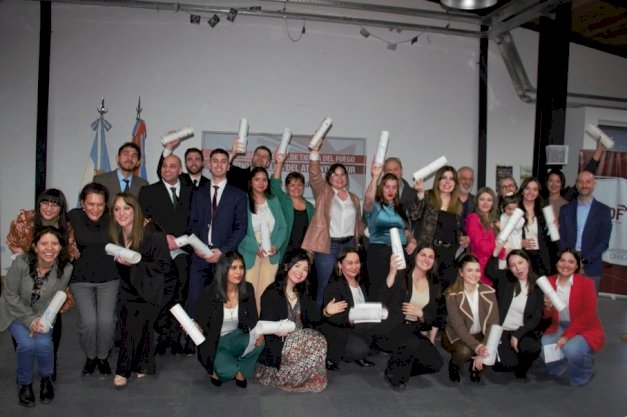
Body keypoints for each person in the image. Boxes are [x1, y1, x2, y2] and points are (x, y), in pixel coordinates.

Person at [6, 188, 79, 380]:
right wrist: (29, 263)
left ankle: (49, 364)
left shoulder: (66, 226)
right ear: (39, 204)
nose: (49, 208)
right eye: (45, 203)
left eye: (55, 204)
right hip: (25, 273)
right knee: (24, 331)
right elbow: (12, 240)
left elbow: (70, 250)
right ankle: (25, 359)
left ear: (61, 208)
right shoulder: (26, 218)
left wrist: (54, 261)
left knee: (53, 316)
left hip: (53, 274)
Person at [0, 227, 73, 407]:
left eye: (55, 244)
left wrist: (41, 320)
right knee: (26, 344)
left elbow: (56, 298)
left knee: (44, 343)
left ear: (61, 247)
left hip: (43, 314)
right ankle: (24, 383)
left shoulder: (66, 268)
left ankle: (46, 378)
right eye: (44, 243)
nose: (50, 248)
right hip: (15, 311)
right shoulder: (21, 263)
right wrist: (30, 319)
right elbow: (9, 295)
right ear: (35, 246)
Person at [109, 193, 174, 389]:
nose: (122, 213)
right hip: (133, 285)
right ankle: (145, 365)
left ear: (135, 210)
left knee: (132, 323)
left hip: (157, 287)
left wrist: (134, 263)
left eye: (126, 208)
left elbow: (165, 267)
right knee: (131, 320)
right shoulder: (118, 232)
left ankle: (123, 369)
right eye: (117, 209)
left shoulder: (153, 233)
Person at [254, 250, 340, 392]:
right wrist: (277, 329)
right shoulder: (272, 292)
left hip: (300, 338)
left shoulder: (303, 293)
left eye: (305, 269)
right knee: (311, 341)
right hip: (280, 344)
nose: (301, 272)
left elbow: (313, 318)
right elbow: (266, 323)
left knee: (319, 339)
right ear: (287, 267)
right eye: (297, 266)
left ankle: (310, 378)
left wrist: (326, 312)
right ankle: (290, 376)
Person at [139, 154, 192, 355]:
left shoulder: (191, 191)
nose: (167, 169)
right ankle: (162, 335)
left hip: (184, 252)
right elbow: (143, 223)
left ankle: (175, 336)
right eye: (164, 166)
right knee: (162, 294)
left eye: (172, 166)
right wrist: (163, 237)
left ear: (180, 170)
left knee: (180, 295)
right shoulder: (147, 192)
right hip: (158, 252)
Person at [187, 148, 247, 325]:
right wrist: (199, 248)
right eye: (215, 161)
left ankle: (218, 339)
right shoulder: (198, 192)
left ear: (228, 166)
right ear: (209, 165)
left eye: (223, 161)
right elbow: (192, 224)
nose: (219, 164)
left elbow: (241, 228)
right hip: (199, 257)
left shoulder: (238, 195)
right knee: (195, 299)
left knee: (221, 301)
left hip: (224, 258)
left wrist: (222, 251)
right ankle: (194, 340)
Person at [302, 143, 364, 307]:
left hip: (349, 245)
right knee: (324, 284)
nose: (339, 178)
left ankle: (344, 319)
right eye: (335, 175)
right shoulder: (324, 192)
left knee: (347, 284)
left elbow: (358, 223)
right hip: (328, 246)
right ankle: (318, 325)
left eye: (342, 174)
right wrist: (315, 153)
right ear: (329, 177)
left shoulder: (354, 198)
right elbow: (315, 176)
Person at [68, 183, 119, 379]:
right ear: (82, 203)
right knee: (89, 322)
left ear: (106, 205)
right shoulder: (73, 216)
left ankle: (103, 357)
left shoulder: (114, 217)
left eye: (100, 204)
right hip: (81, 278)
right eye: (90, 204)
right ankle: (90, 357)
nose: (95, 209)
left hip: (109, 278)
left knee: (106, 322)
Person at [409, 166, 466, 340]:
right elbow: (414, 215)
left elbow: (457, 231)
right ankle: (419, 330)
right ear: (438, 180)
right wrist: (419, 194)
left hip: (449, 256)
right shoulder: (427, 197)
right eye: (444, 178)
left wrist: (464, 239)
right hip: (429, 254)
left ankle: (433, 336)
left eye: (451, 178)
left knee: (442, 297)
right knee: (427, 293)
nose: (447, 182)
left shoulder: (458, 205)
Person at [196, 251, 264, 388]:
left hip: (236, 336)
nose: (239, 272)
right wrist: (194, 326)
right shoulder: (209, 292)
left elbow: (253, 318)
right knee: (226, 371)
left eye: (241, 268)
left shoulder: (247, 289)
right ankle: (229, 368)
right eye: (233, 268)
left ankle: (236, 368)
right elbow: (201, 322)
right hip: (216, 342)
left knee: (260, 342)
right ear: (223, 269)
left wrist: (259, 333)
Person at [379, 247, 444, 390]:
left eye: (431, 257)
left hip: (414, 328)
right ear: (415, 256)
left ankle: (397, 368)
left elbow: (434, 317)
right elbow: (383, 297)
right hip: (393, 326)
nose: (426, 259)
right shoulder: (403, 274)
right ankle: (397, 376)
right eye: (423, 255)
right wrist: (392, 271)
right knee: (411, 342)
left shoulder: (434, 284)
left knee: (435, 363)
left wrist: (420, 314)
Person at [541, 249, 605, 386]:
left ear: (577, 266)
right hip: (558, 324)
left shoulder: (587, 284)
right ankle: (559, 367)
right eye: (562, 260)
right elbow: (546, 316)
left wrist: (566, 336)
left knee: (572, 349)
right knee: (545, 346)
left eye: (571, 262)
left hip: (583, 326)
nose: (566, 265)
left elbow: (588, 315)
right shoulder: (548, 281)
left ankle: (584, 372)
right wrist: (547, 307)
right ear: (557, 262)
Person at [485, 249, 543, 380]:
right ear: (509, 268)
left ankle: (521, 369)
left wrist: (517, 335)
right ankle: (510, 357)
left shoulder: (538, 284)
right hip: (502, 330)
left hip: (522, 330)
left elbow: (536, 317)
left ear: (527, 262)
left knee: (532, 348)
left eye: (520, 262)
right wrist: (495, 252)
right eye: (512, 265)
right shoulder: (505, 279)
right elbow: (489, 271)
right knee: (503, 365)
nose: (518, 268)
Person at [442, 253, 499, 383]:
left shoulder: (489, 292)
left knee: (490, 352)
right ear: (461, 273)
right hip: (457, 335)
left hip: (481, 334)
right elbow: (458, 327)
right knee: (464, 351)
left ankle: (476, 368)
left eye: (477, 270)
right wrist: (477, 347)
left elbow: (493, 324)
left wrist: (484, 347)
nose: (474, 274)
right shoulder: (452, 294)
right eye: (469, 270)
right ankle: (455, 366)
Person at [363, 160, 415, 301]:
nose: (391, 190)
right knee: (378, 290)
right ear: (381, 188)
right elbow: (368, 199)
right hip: (378, 253)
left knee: (397, 292)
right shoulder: (374, 207)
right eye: (387, 187)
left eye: (394, 187)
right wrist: (375, 177)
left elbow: (407, 230)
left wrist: (412, 240)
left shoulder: (401, 208)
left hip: (399, 253)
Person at [238, 167, 287, 309]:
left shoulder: (274, 200)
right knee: (247, 293)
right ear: (250, 182)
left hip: (271, 255)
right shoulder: (243, 200)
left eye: (264, 179)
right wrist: (256, 248)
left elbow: (283, 227)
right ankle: (247, 327)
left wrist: (276, 245)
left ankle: (261, 327)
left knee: (265, 294)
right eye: (257, 179)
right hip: (249, 254)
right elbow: (238, 230)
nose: (261, 182)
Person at [320, 248, 377, 371]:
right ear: (340, 265)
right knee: (361, 350)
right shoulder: (334, 286)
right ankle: (331, 356)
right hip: (341, 330)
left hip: (359, 327)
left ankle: (361, 351)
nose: (354, 266)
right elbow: (334, 318)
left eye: (357, 262)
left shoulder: (361, 283)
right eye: (350, 263)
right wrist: (353, 318)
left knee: (381, 326)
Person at [558, 171, 612, 293]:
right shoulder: (565, 209)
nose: (584, 185)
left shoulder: (604, 211)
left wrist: (584, 261)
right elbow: (561, 236)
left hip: (592, 267)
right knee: (566, 304)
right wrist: (570, 260)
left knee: (588, 306)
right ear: (576, 185)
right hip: (567, 266)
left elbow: (604, 242)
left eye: (588, 182)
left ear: (594, 185)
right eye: (580, 182)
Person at [271, 152, 315, 263]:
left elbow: (312, 230)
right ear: (286, 187)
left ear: (304, 187)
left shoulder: (310, 207)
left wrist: (311, 250)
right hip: (284, 250)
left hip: (303, 252)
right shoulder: (283, 200)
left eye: (299, 184)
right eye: (292, 185)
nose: (296, 188)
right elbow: (275, 184)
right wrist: (280, 163)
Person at [465, 187, 500, 286]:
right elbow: (481, 245)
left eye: (489, 200)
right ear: (477, 201)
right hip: (480, 267)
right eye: (482, 199)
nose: (485, 203)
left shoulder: (495, 221)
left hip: (494, 266)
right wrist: (501, 250)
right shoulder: (473, 218)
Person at [517, 177, 551, 276]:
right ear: (522, 190)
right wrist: (519, 243)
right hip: (521, 256)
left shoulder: (544, 211)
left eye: (535, 189)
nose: (531, 192)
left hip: (540, 258)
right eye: (527, 188)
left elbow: (551, 238)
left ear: (538, 192)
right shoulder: (514, 210)